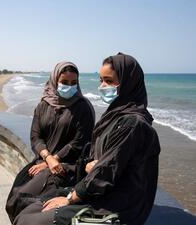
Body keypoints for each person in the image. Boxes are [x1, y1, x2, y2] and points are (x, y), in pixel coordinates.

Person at [13, 53, 161, 225]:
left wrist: (69, 199)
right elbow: (104, 161)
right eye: (101, 80)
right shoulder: (114, 116)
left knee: (30, 220)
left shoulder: (133, 124)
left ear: (129, 82)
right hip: (98, 189)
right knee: (28, 205)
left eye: (110, 81)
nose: (103, 86)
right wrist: (92, 165)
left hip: (118, 203)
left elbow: (105, 170)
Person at [6, 61, 95, 223]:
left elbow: (79, 143)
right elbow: (35, 136)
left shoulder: (83, 108)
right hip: (43, 160)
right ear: (55, 81)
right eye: (64, 82)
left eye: (73, 83)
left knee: (24, 198)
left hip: (66, 166)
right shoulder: (43, 105)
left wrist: (55, 160)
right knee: (15, 193)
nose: (69, 86)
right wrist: (47, 158)